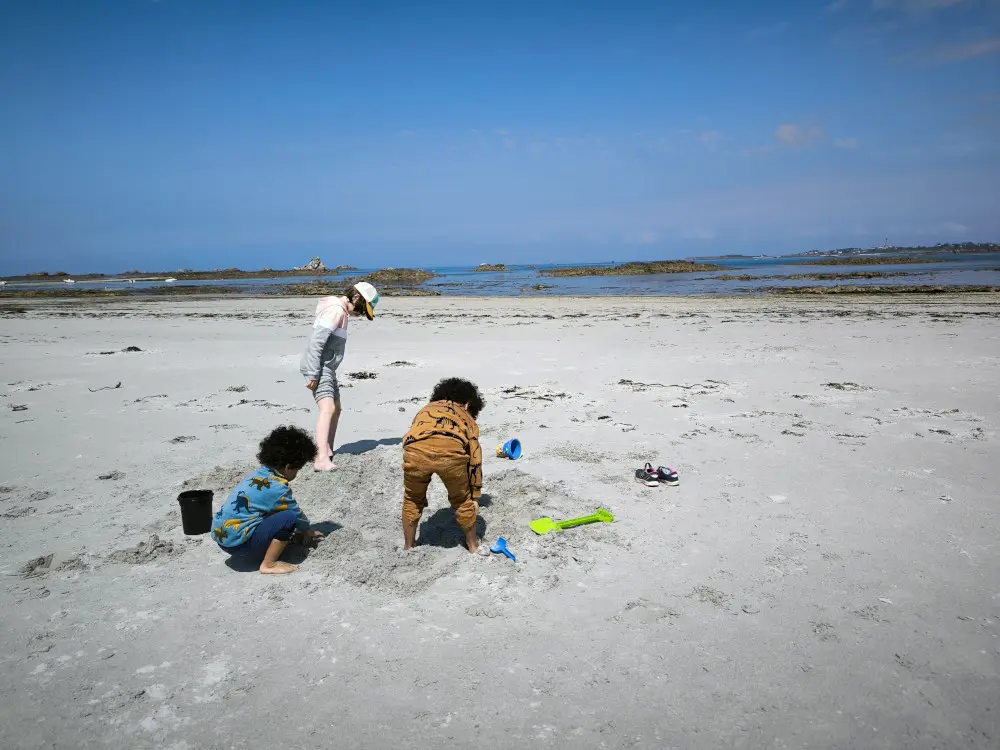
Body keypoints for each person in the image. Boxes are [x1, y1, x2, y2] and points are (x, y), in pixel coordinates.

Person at [211, 425, 325, 574]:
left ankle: (276, 545)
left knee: (271, 512)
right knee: (288, 517)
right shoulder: (278, 488)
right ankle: (269, 564)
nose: (297, 473)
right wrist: (306, 531)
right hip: (241, 546)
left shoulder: (256, 475)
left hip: (223, 539)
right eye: (297, 469)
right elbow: (295, 513)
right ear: (288, 466)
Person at [300, 281, 380, 471]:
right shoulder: (335, 311)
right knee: (327, 408)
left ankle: (327, 450)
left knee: (337, 408)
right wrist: (313, 373)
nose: (360, 314)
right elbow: (316, 343)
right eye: (362, 309)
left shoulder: (341, 312)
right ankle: (320, 458)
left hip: (328, 367)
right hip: (319, 366)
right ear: (356, 297)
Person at [401, 378, 485, 553]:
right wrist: (475, 496)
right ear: (469, 404)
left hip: (415, 451)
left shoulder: (425, 409)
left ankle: (409, 546)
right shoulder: (466, 416)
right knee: (462, 501)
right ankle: (472, 547)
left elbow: (414, 433)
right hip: (450, 452)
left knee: (412, 499)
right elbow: (475, 459)